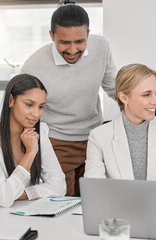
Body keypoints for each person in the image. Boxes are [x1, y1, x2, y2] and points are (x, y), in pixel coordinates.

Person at [21, 0, 117, 196]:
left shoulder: (101, 47)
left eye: (79, 41)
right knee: (64, 204)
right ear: (52, 36)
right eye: (64, 42)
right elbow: (23, 113)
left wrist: (148, 113)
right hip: (57, 142)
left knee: (96, 200)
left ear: (88, 34)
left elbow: (115, 88)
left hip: (95, 138)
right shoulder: (34, 67)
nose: (73, 50)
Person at [84, 64, 156, 206]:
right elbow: (94, 187)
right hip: (117, 213)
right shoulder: (98, 136)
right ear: (124, 98)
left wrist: (146, 206)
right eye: (146, 95)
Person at [0, 74, 66, 213]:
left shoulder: (41, 131)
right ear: (11, 100)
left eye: (41, 107)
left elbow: (59, 186)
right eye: (29, 105)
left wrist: (18, 195)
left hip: (20, 208)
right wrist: (30, 152)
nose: (36, 113)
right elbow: (4, 198)